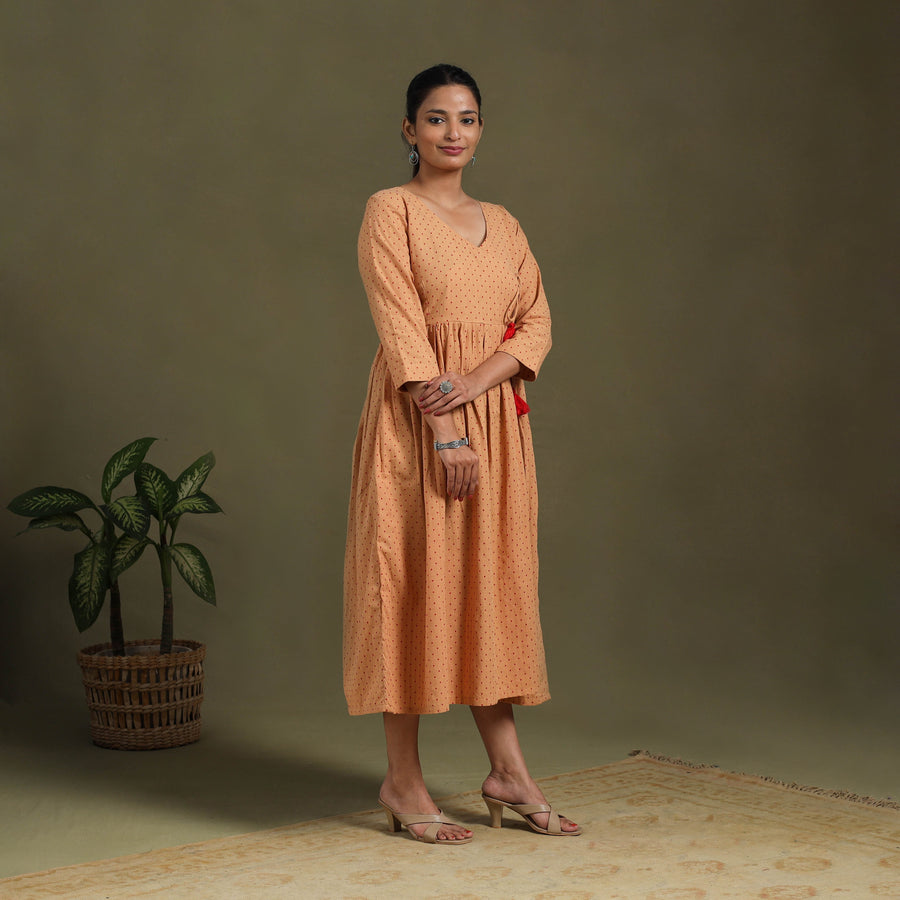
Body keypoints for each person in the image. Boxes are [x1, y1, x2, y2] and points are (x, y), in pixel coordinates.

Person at [343, 64, 580, 844]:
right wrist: (447, 427)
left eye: (468, 118)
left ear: (481, 130)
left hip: (496, 424)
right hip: (418, 422)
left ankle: (508, 771)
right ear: (409, 130)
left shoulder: (503, 223)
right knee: (409, 584)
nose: (454, 132)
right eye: (438, 118)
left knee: (490, 587)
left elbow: (536, 322)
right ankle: (403, 778)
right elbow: (400, 322)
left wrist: (476, 384)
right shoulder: (391, 211)